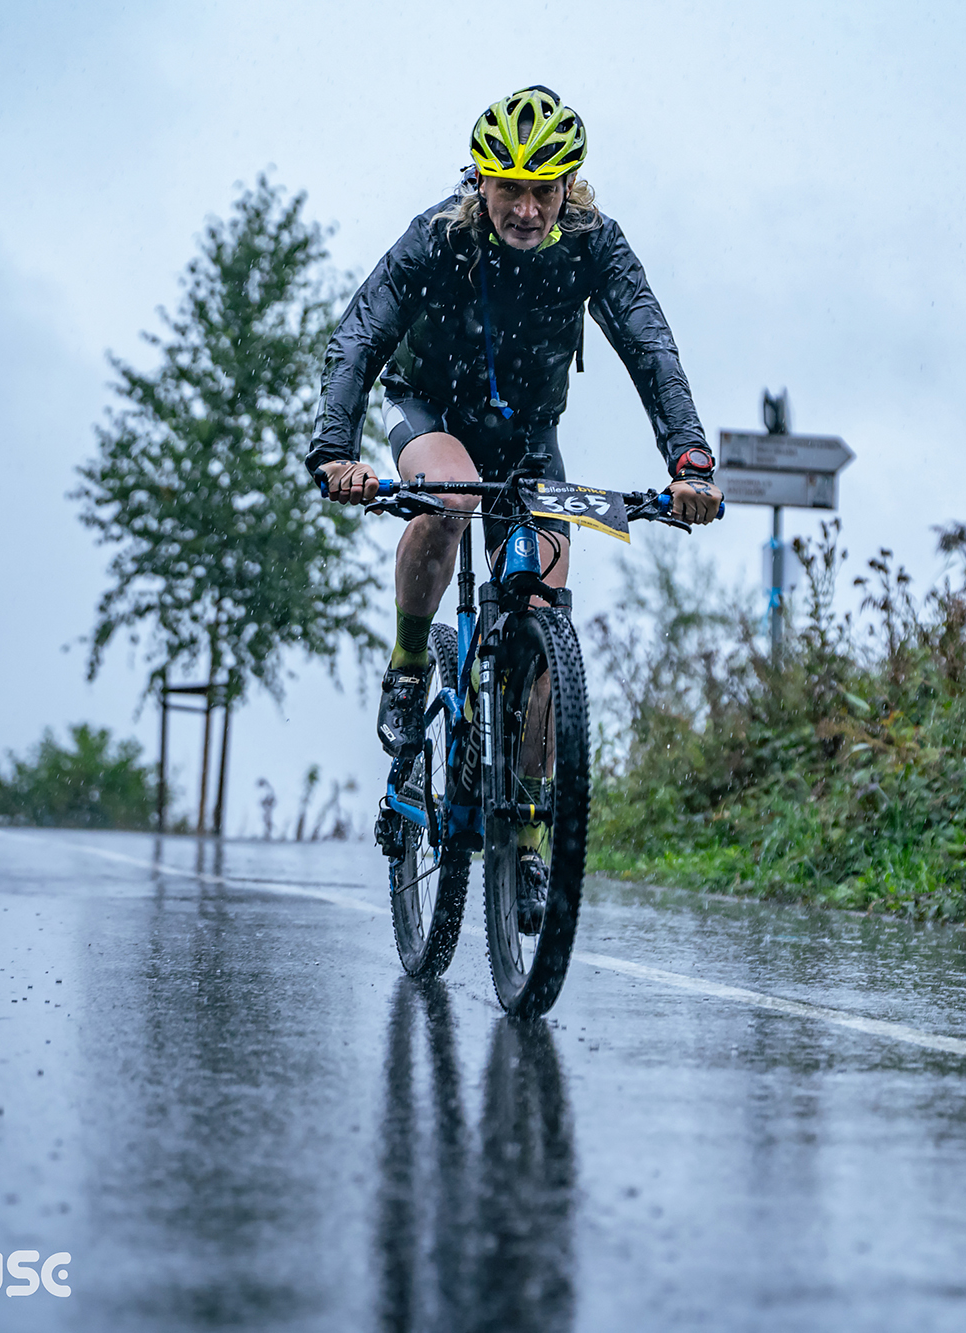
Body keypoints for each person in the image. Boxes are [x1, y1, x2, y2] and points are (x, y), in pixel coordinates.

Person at [308, 85, 720, 928]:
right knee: (451, 497)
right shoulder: (440, 236)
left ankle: (528, 841)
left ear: (569, 185)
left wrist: (689, 459)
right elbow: (361, 335)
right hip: (433, 410)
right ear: (481, 182)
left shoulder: (594, 244)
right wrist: (335, 451)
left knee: (543, 619)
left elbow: (649, 343)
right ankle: (410, 662)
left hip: (530, 440)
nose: (527, 210)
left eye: (544, 190)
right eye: (510, 190)